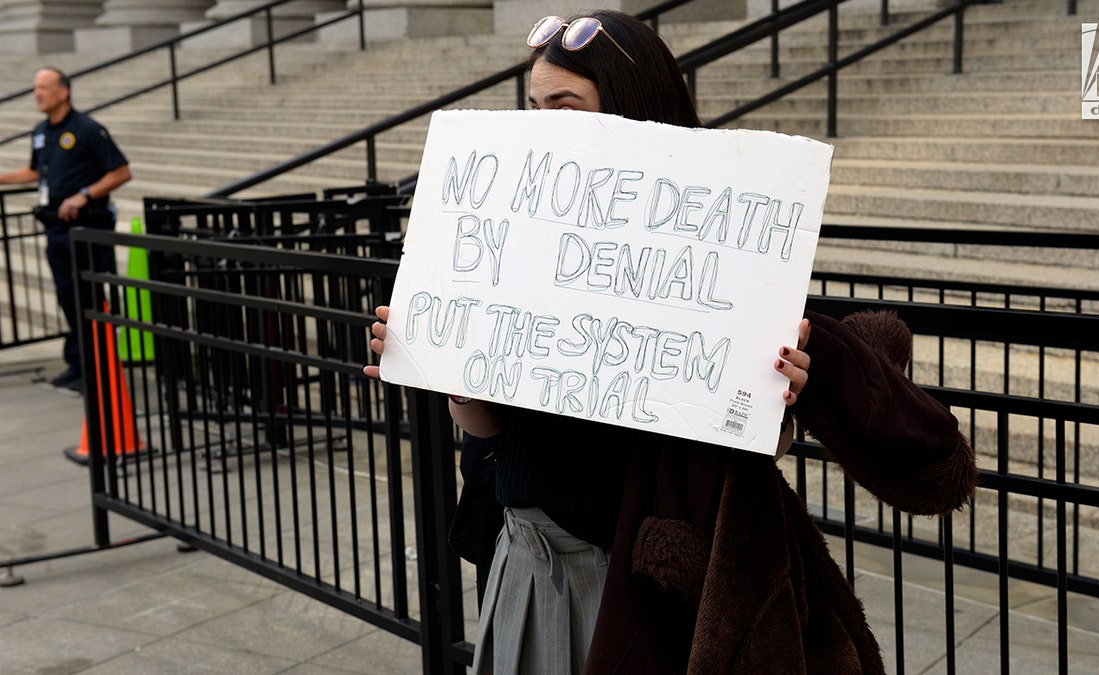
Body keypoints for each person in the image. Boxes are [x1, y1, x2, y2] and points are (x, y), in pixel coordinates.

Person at [366, 11, 974, 674]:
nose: (541, 127)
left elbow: (744, 450)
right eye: (533, 108)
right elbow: (490, 430)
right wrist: (454, 368)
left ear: (631, 109)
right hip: (526, 559)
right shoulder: (516, 235)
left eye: (563, 108)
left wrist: (779, 388)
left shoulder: (706, 251)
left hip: (636, 588)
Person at [0, 67, 132, 393]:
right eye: (35, 88)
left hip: (85, 228)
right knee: (68, 298)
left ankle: (99, 368)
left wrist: (84, 194)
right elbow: (34, 172)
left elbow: (121, 172)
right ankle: (79, 364)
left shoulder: (87, 129)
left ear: (64, 92)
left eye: (44, 87)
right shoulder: (41, 131)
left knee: (88, 298)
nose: (37, 94)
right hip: (56, 229)